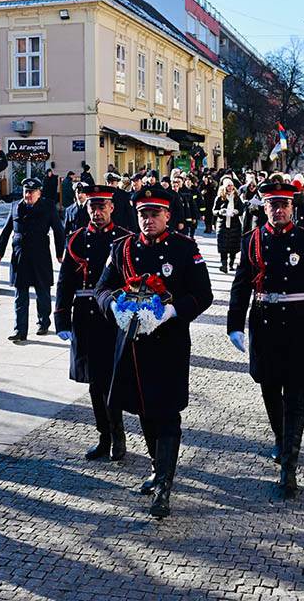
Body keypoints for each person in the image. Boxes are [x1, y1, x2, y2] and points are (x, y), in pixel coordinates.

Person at [95, 185, 213, 518]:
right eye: (143, 214)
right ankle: (155, 468)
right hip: (132, 346)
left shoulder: (184, 248)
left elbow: (203, 295)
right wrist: (114, 308)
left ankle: (164, 485)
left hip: (169, 344)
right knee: (144, 410)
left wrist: (172, 312)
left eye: (154, 214)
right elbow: (103, 288)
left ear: (167, 216)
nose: (148, 220)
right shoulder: (122, 249)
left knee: (167, 412)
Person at [226, 180, 304, 498]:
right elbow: (240, 285)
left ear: (292, 207)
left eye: (284, 205)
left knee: (296, 394)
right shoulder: (252, 241)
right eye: (273, 205)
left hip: (298, 325)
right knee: (270, 389)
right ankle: (280, 436)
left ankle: (289, 465)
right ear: (265, 207)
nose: (278, 210)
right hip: (263, 322)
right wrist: (235, 325)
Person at [54, 185, 132, 461]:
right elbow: (64, 282)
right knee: (94, 384)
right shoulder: (76, 239)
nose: (97, 213)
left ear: (112, 208)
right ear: (86, 209)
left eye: (102, 207)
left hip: (113, 319)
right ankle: (104, 435)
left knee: (112, 381)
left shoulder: (124, 239)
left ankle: (118, 435)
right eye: (92, 208)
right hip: (85, 318)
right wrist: (61, 317)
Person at [0, 178, 65, 344]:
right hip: (20, 257)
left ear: (39, 193)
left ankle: (43, 321)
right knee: (20, 294)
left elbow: (58, 230)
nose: (28, 195)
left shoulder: (48, 206)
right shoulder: (15, 206)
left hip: (40, 255)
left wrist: (60, 252)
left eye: (31, 192)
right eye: (26, 191)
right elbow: (6, 231)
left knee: (42, 292)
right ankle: (20, 330)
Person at [213, 177, 245, 273]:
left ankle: (231, 263)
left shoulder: (236, 197)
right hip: (222, 224)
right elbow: (214, 211)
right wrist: (220, 212)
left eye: (231, 186)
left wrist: (236, 211)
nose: (230, 187)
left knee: (233, 246)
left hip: (234, 225)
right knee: (223, 246)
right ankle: (224, 265)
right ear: (224, 187)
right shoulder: (219, 197)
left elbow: (241, 209)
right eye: (228, 186)